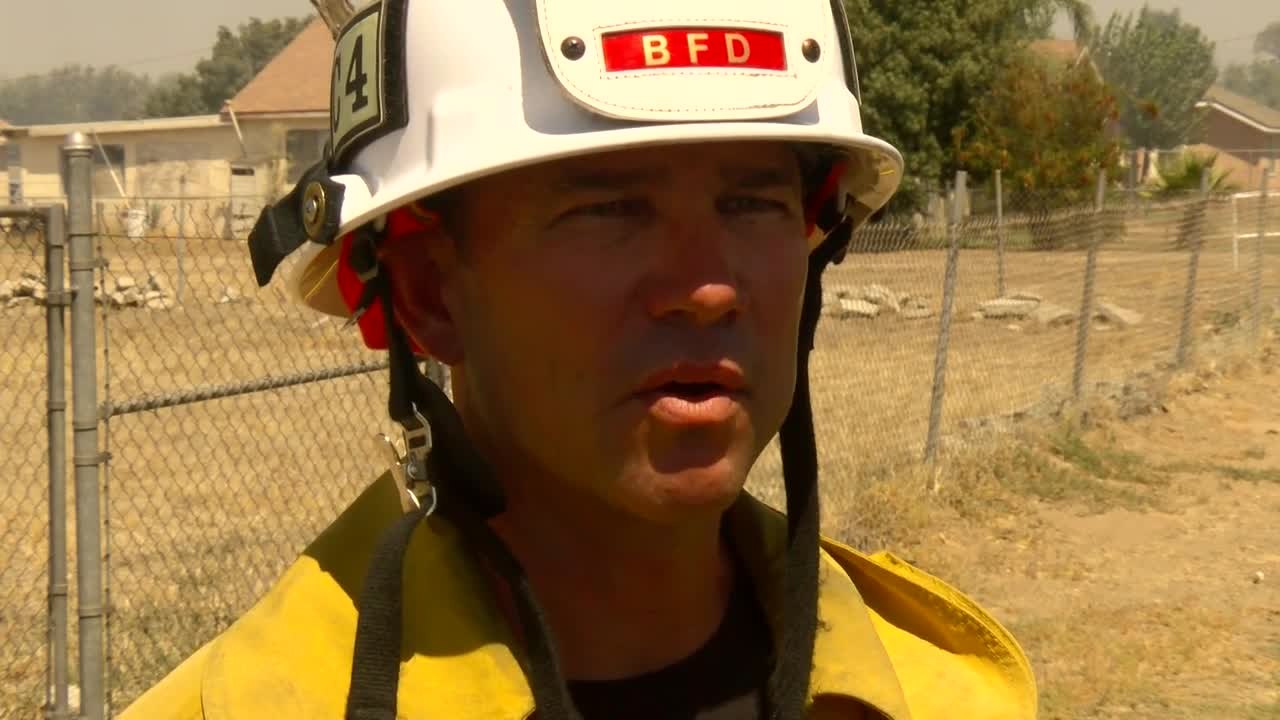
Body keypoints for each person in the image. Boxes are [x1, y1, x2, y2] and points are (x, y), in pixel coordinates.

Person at [122, 0, 1037, 718]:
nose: (705, 288)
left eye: (753, 202)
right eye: (609, 210)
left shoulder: (942, 695)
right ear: (428, 296)